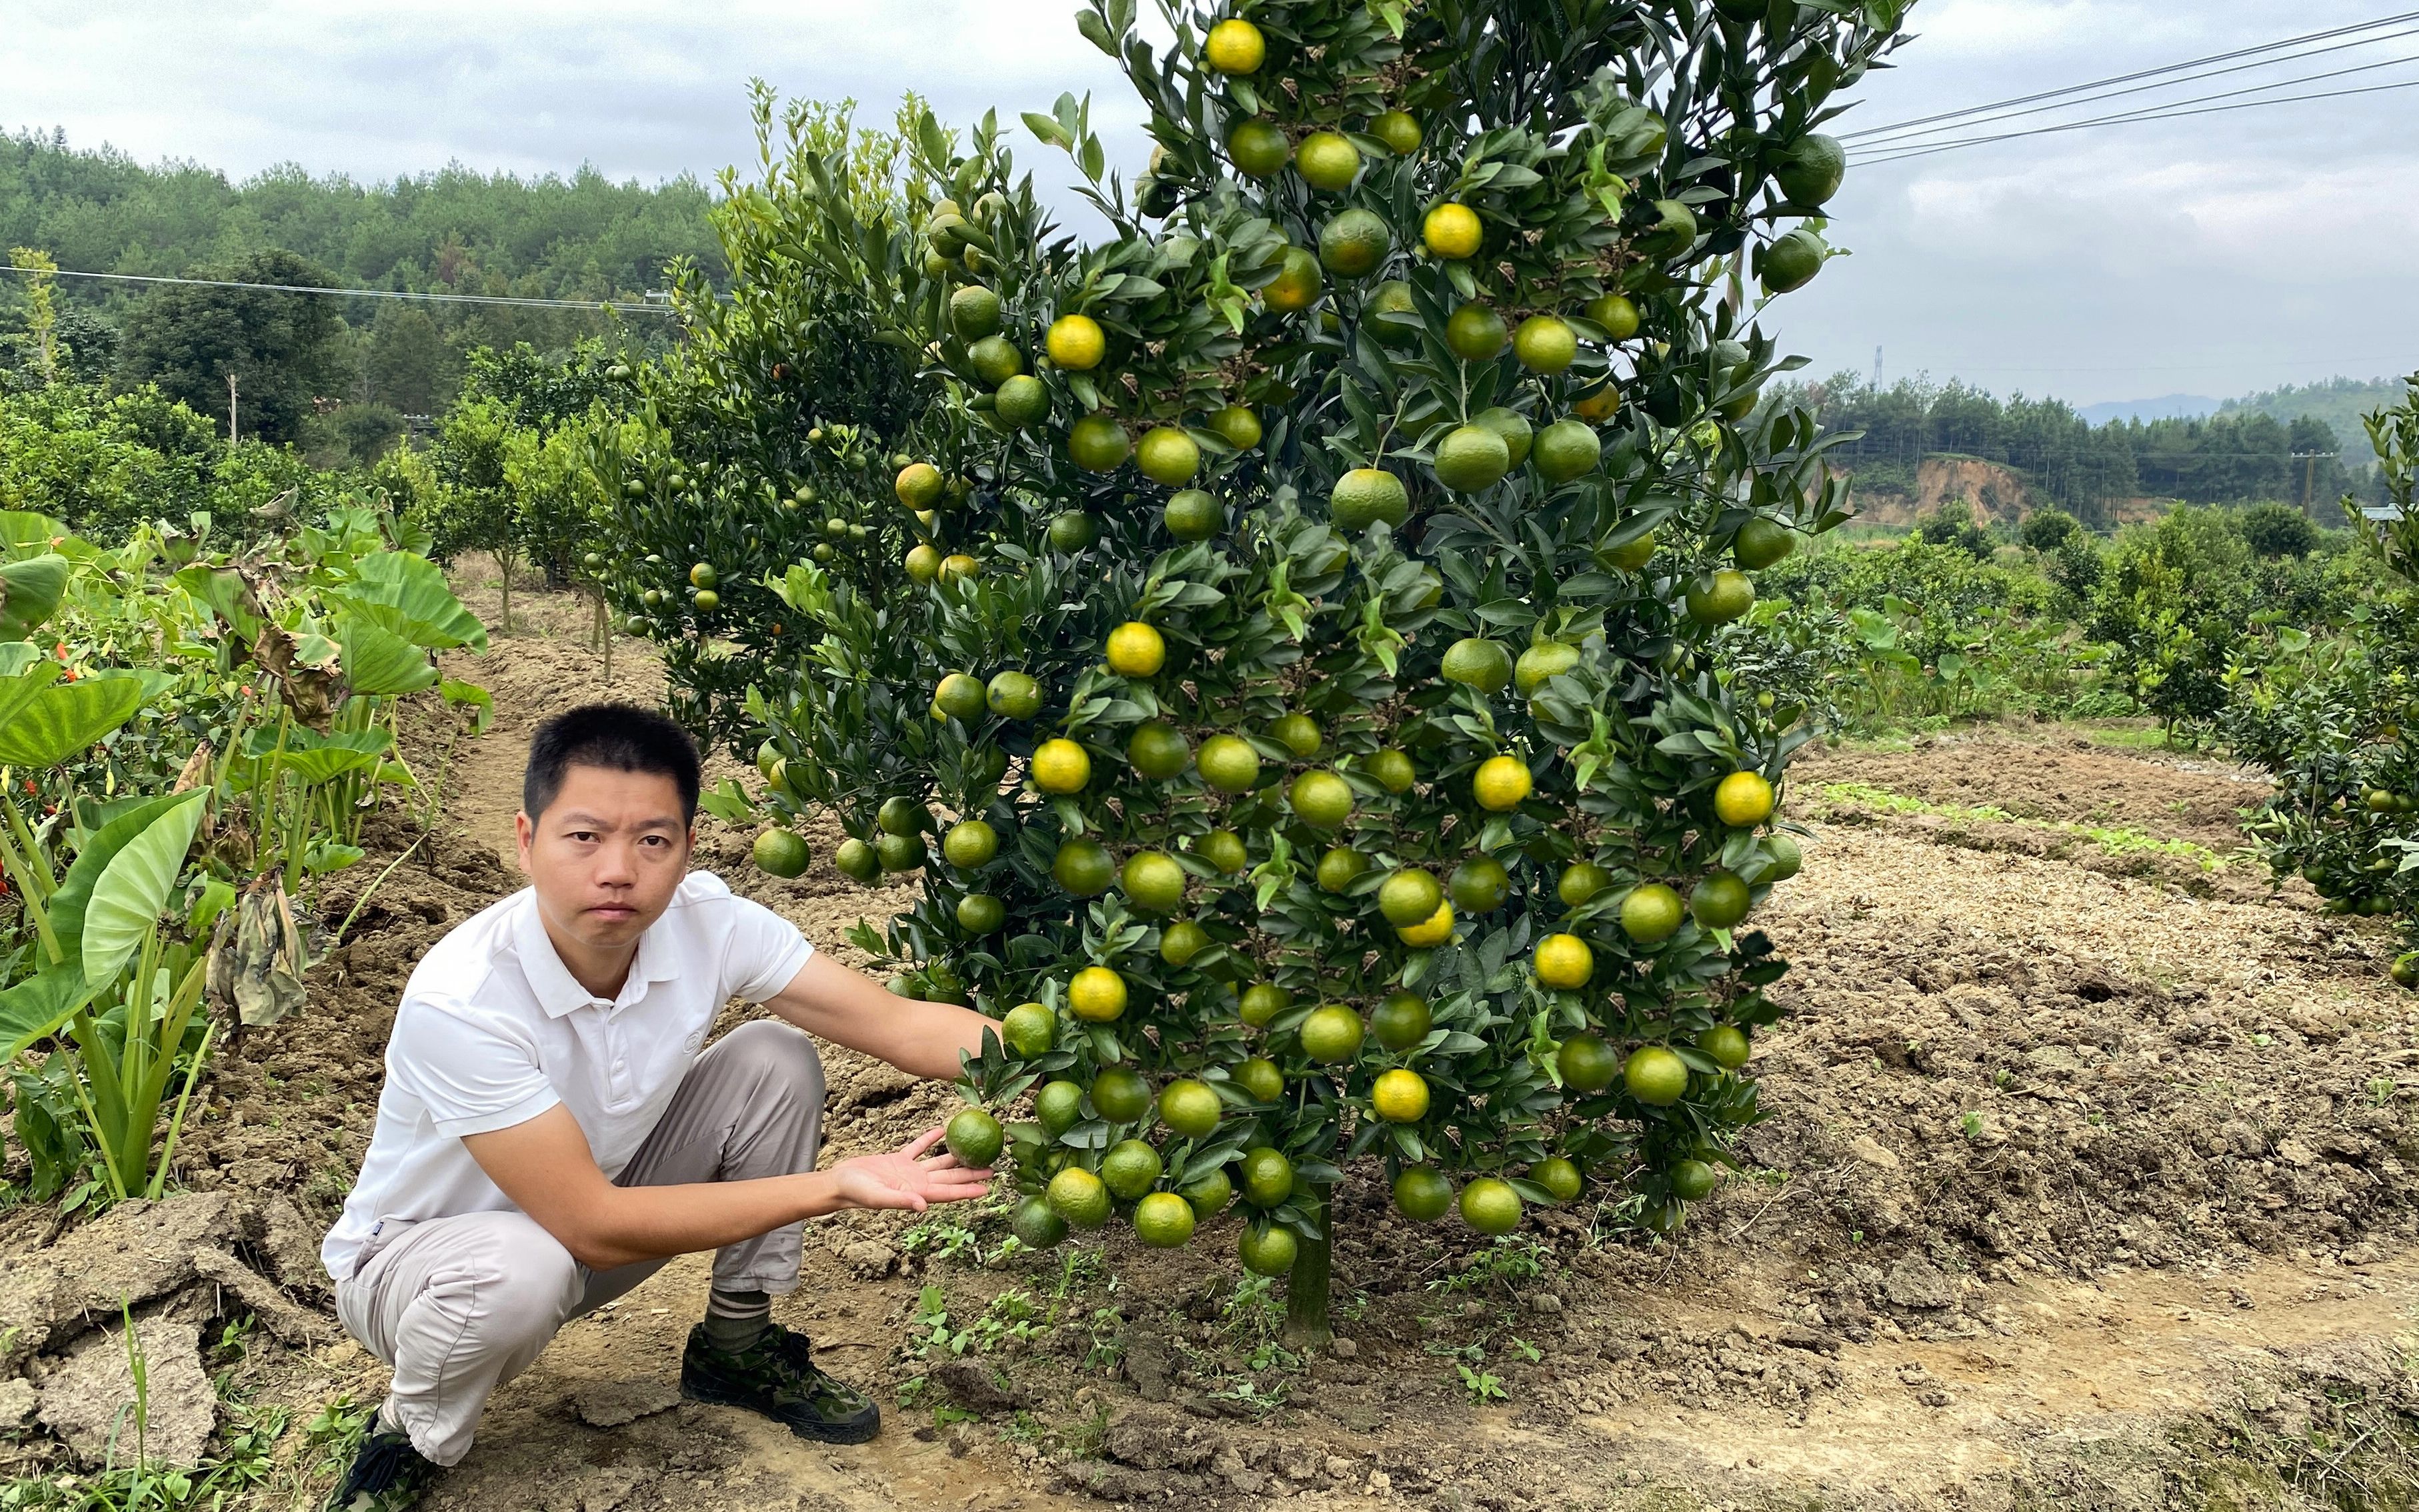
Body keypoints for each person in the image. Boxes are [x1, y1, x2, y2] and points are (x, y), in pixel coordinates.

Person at [321, 704, 995, 1511]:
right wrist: (835, 1185)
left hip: (585, 1234)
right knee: (517, 1268)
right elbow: (590, 1225)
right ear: (526, 842)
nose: (618, 870)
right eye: (584, 837)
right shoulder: (462, 1000)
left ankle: (736, 1349)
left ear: (686, 851)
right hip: (421, 1274)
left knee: (773, 1059)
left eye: (652, 840)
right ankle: (409, 1431)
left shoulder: (708, 922)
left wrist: (1082, 1054)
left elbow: (897, 1024)